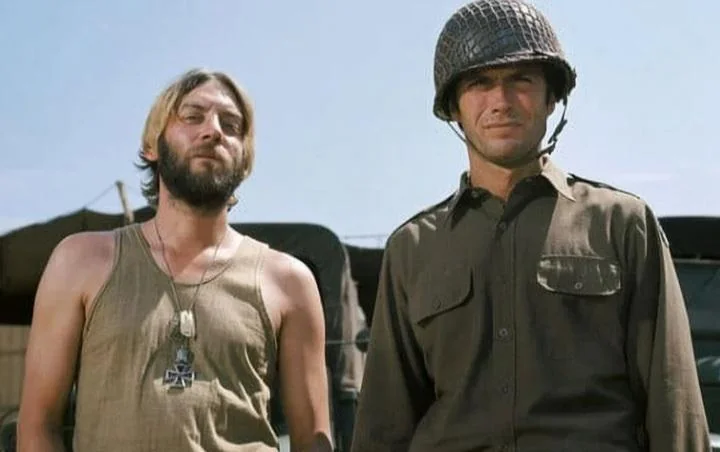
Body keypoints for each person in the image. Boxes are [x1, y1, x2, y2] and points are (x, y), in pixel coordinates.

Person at [351, 0, 711, 451]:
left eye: (521, 80)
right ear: (453, 108)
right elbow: (385, 424)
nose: (501, 101)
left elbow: (672, 398)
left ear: (551, 98)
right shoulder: (411, 249)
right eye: (480, 83)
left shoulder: (622, 225)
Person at [17, 68, 333, 452]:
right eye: (192, 116)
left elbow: (313, 442)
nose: (213, 130)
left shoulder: (288, 281)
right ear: (152, 144)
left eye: (231, 125)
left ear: (245, 158)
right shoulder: (81, 261)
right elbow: (37, 428)